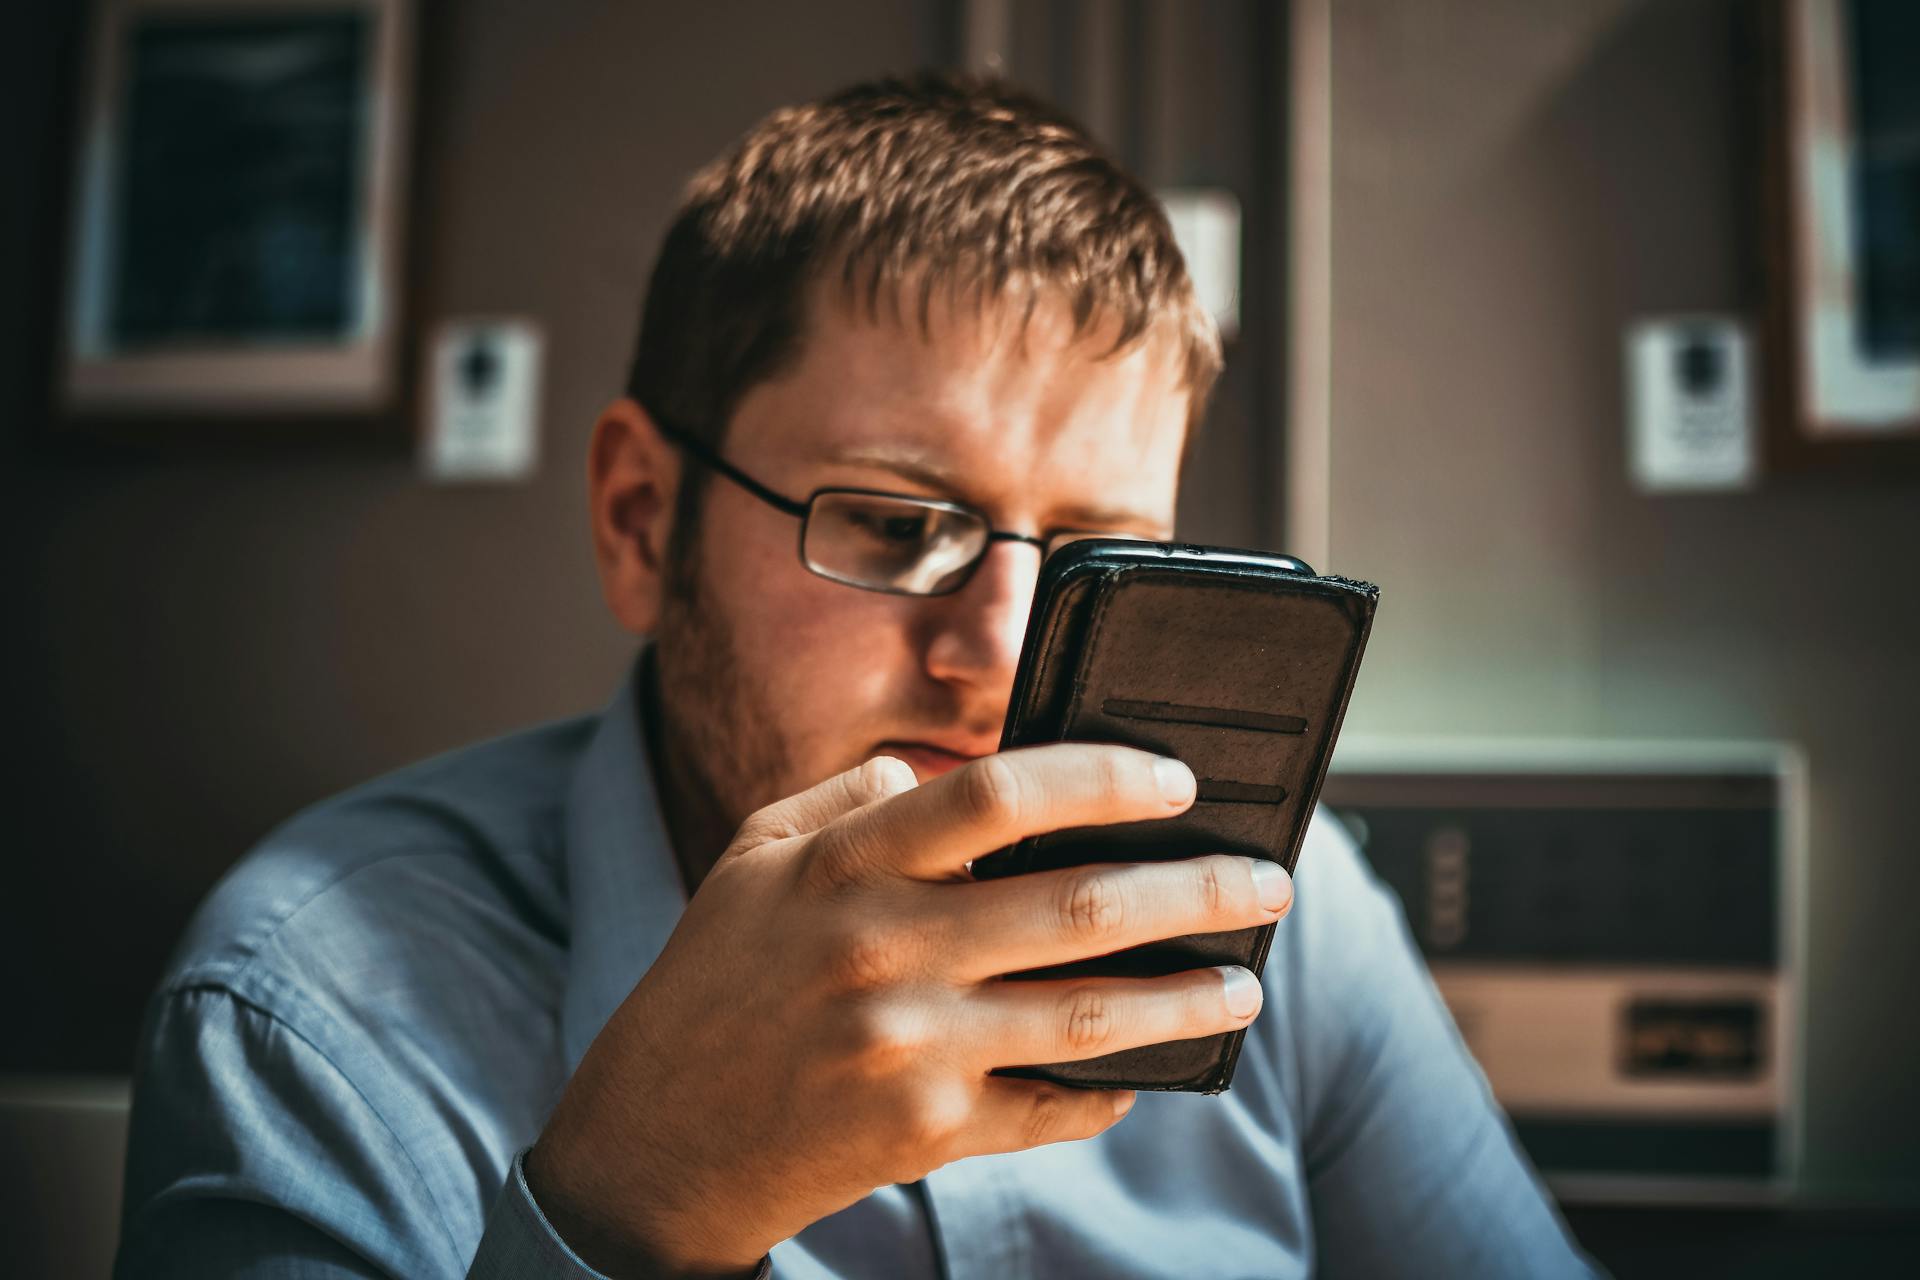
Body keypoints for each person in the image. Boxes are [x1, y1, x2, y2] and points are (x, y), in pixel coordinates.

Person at [116, 73, 1593, 1279]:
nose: (1001, 656)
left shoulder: (1278, 914)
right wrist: (624, 1221)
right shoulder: (305, 1017)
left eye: (1094, 556)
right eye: (895, 525)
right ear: (644, 520)